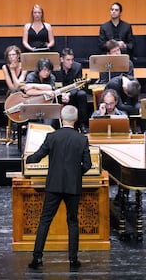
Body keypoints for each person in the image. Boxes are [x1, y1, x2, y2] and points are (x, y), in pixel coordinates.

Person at [26, 105, 92, 269]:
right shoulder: (82, 139)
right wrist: (77, 174)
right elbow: (88, 164)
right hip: (73, 186)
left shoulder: (52, 136)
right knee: (73, 222)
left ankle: (37, 258)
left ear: (61, 119)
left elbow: (38, 156)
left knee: (45, 221)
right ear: (76, 119)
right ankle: (73, 259)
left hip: (54, 185)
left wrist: (27, 160)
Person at [53, 48, 88, 133]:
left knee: (82, 94)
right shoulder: (55, 68)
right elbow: (54, 85)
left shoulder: (77, 67)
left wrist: (69, 94)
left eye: (72, 59)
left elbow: (78, 85)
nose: (71, 62)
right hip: (59, 94)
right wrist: (62, 95)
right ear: (61, 59)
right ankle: (54, 124)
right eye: (68, 60)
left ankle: (82, 124)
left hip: (72, 94)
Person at [23, 58, 56, 126]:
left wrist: (32, 85)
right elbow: (28, 92)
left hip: (46, 103)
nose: (47, 72)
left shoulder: (52, 77)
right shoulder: (31, 76)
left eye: (49, 70)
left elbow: (50, 87)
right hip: (32, 102)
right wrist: (45, 92)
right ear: (39, 69)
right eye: (44, 70)